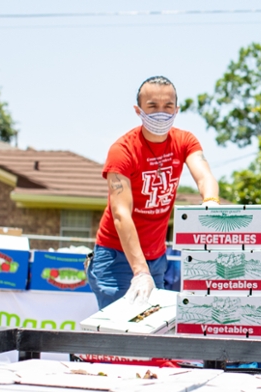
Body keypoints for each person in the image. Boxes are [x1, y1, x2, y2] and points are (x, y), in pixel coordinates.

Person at [88, 76, 219, 309]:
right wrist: (140, 272)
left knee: (148, 333)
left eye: (168, 106)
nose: (161, 112)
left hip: (156, 258)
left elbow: (204, 175)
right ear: (138, 110)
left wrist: (210, 202)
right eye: (152, 106)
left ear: (177, 109)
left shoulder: (184, 141)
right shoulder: (123, 151)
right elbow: (121, 214)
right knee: (117, 335)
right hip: (116, 255)